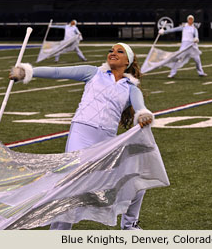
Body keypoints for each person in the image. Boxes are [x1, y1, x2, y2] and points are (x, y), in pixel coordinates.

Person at [9, 42, 155, 230]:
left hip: (106, 143)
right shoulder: (92, 73)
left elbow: (141, 107)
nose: (112, 53)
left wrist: (143, 115)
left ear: (128, 61)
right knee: (71, 186)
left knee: (135, 181)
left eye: (119, 51)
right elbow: (57, 72)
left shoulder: (131, 89)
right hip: (82, 132)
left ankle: (129, 226)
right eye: (110, 50)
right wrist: (27, 72)